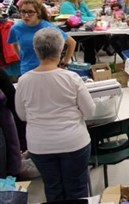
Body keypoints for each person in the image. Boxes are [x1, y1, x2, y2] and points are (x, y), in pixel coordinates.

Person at [15, 27, 95, 202]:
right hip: (73, 142)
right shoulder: (71, 78)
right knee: (77, 190)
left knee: (52, 189)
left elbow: (22, 115)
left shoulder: (24, 81)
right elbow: (90, 111)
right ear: (60, 49)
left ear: (36, 51)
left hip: (40, 145)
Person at [8, 0, 76, 74]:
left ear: (38, 13)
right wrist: (22, 58)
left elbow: (72, 43)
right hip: (27, 70)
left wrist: (65, 63)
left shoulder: (48, 27)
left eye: (30, 12)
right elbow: (14, 44)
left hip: (48, 71)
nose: (26, 15)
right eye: (23, 11)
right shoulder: (16, 28)